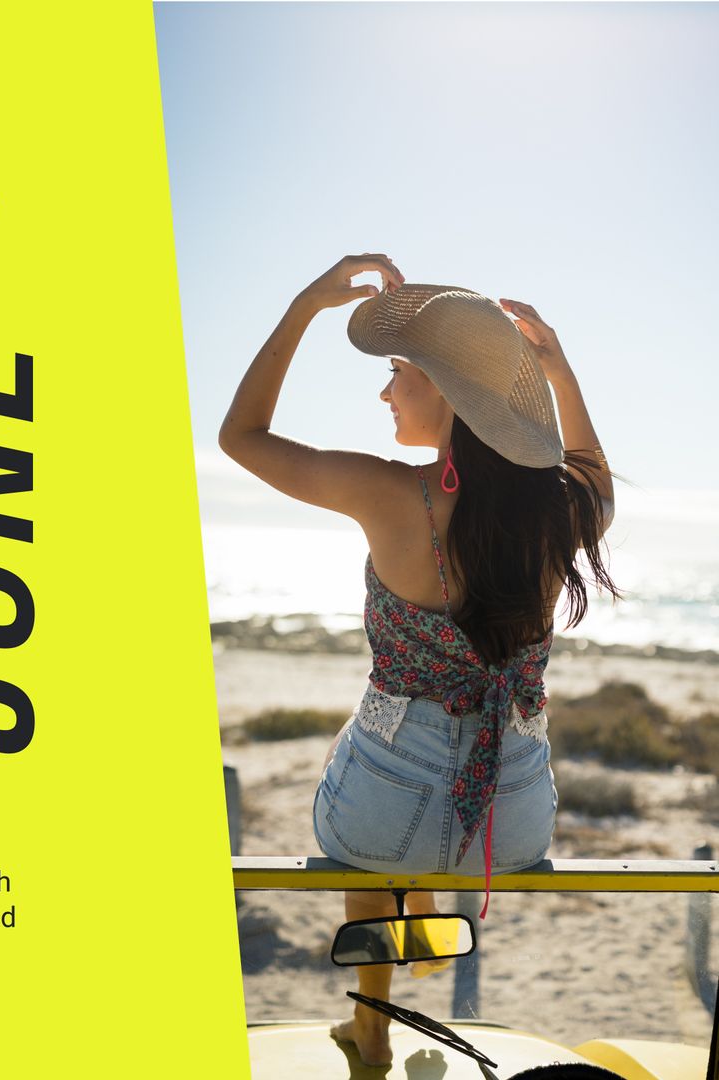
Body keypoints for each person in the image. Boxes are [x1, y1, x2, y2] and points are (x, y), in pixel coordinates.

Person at [218, 253, 618, 1067]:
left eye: (397, 371)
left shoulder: (389, 495)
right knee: (402, 793)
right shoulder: (560, 513)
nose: (385, 389)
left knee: (364, 777)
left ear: (442, 388)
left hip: (383, 815)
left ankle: (373, 1027)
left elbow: (241, 436)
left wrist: (302, 307)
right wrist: (557, 373)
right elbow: (593, 474)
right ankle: (426, 910)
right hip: (510, 828)